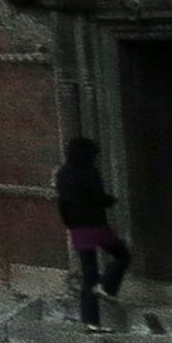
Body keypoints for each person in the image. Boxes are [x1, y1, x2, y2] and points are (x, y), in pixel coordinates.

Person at [55, 136, 129, 328]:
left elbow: (62, 202)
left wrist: (70, 224)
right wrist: (111, 201)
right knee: (122, 255)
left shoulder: (62, 173)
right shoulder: (88, 171)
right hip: (94, 225)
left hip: (77, 229)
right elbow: (97, 196)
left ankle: (90, 321)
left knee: (89, 274)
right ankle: (106, 286)